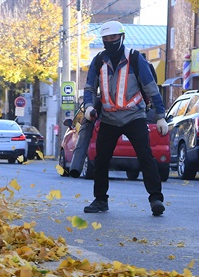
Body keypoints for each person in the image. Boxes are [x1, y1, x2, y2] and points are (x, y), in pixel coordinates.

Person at [82, 20, 168, 216]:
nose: (110, 41)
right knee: (101, 159)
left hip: (134, 117)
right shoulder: (98, 61)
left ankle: (156, 199)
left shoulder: (136, 59)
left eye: (113, 37)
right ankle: (100, 200)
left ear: (122, 38)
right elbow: (89, 87)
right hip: (109, 118)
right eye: (106, 38)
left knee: (145, 156)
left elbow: (151, 88)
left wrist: (161, 116)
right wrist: (88, 107)